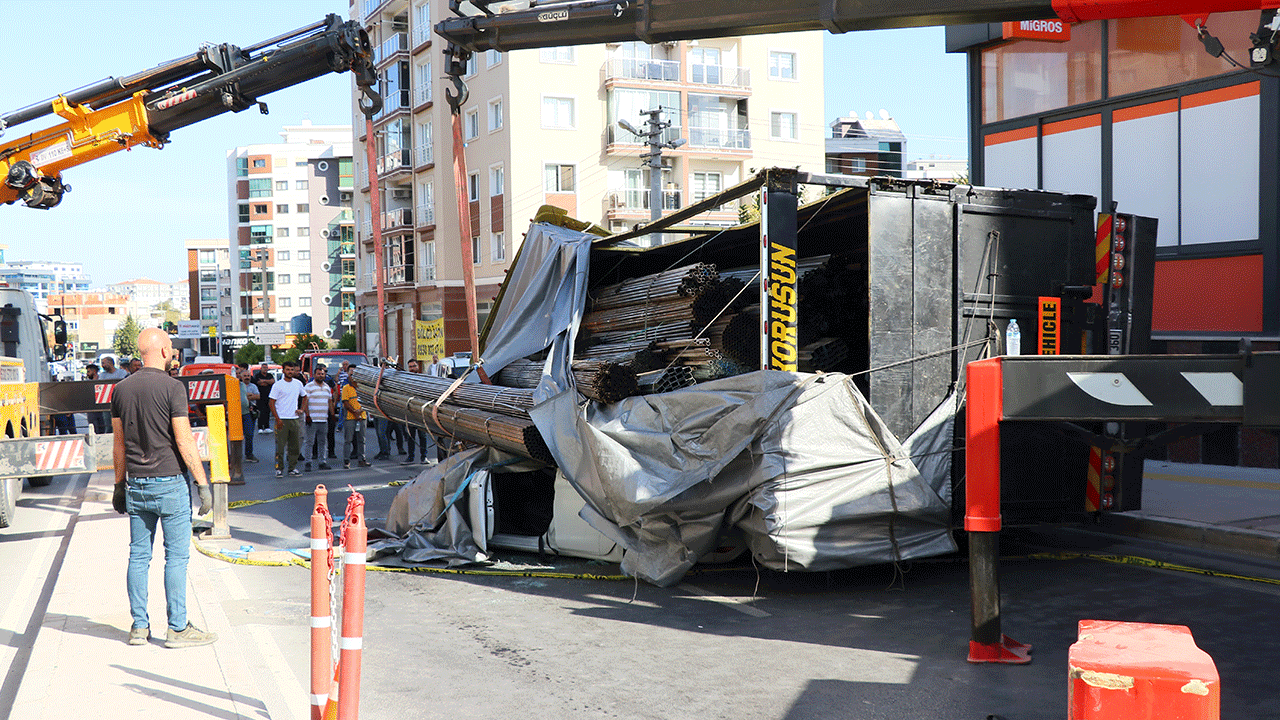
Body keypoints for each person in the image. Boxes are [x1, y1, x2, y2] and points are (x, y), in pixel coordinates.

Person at [110, 327, 217, 649]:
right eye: (170, 348)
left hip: (136, 485)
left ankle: (139, 628)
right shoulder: (173, 388)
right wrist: (203, 484)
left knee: (139, 556)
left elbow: (118, 445)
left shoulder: (120, 390)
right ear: (160, 350)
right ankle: (177, 628)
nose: (172, 352)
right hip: (170, 484)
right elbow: (184, 439)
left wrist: (118, 485)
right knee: (176, 558)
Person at [269, 361, 305, 477]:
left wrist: (301, 409)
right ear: (283, 370)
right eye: (288, 369)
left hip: (294, 418)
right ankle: (279, 468)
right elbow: (271, 403)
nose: (290, 372)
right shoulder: (277, 385)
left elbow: (304, 397)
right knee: (280, 446)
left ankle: (292, 468)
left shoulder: (298, 383)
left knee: (295, 446)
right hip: (281, 419)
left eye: (292, 370)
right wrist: (277, 419)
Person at [401, 358, 435, 465]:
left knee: (422, 436)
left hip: (421, 412)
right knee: (410, 436)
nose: (412, 368)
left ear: (418, 367)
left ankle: (423, 457)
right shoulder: (406, 380)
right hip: (410, 412)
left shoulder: (423, 379)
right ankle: (410, 457)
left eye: (414, 366)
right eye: (410, 367)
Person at [302, 364, 334, 472]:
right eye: (319, 374)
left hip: (323, 419)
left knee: (322, 442)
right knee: (310, 442)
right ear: (314, 375)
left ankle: (322, 462)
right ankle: (308, 462)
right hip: (312, 419)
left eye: (322, 374)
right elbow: (305, 401)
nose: (321, 376)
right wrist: (307, 415)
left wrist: (332, 415)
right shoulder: (309, 386)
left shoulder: (327, 387)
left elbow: (330, 402)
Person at [340, 375, 371, 469]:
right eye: (351, 376)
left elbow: (367, 401)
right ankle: (346, 461)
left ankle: (362, 460)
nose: (353, 378)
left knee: (362, 440)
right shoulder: (346, 388)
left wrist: (360, 411)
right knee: (348, 440)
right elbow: (345, 402)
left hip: (362, 416)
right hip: (350, 417)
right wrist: (355, 412)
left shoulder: (363, 388)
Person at [239, 368, 258, 463]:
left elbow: (258, 396)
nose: (246, 378)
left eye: (248, 376)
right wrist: (249, 395)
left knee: (249, 434)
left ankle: (249, 454)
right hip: (236, 413)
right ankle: (235, 456)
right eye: (244, 376)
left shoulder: (245, 385)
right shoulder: (234, 385)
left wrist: (247, 397)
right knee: (236, 436)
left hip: (247, 413)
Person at [251, 362, 275, 433]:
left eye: (266, 367)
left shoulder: (270, 375)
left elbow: (272, 381)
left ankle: (267, 426)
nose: (265, 369)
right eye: (264, 367)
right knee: (260, 411)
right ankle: (260, 427)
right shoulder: (257, 375)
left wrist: (264, 381)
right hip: (260, 396)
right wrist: (267, 382)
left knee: (267, 411)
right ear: (261, 368)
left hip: (268, 396)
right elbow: (259, 383)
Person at [85, 363, 108, 434]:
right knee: (93, 429)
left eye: (89, 372)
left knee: (102, 428)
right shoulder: (87, 383)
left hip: (101, 409)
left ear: (94, 372)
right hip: (91, 409)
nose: (87, 374)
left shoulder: (102, 380)